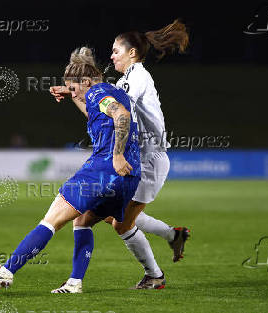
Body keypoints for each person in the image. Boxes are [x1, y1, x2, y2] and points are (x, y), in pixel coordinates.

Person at [0, 47, 142, 291]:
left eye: (74, 88)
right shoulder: (106, 92)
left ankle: (5, 272)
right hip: (128, 176)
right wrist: (71, 93)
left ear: (85, 81)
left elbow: (121, 116)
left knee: (50, 221)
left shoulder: (96, 93)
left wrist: (116, 155)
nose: (74, 93)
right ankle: (74, 282)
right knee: (82, 221)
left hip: (104, 168)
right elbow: (96, 110)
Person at [50, 20, 190, 291]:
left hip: (148, 161)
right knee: (106, 217)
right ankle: (173, 236)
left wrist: (74, 90)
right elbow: (99, 109)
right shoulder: (126, 79)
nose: (111, 55)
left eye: (116, 51)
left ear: (132, 54)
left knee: (121, 224)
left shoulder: (138, 77)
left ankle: (155, 275)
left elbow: (115, 109)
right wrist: (74, 93)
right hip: (134, 157)